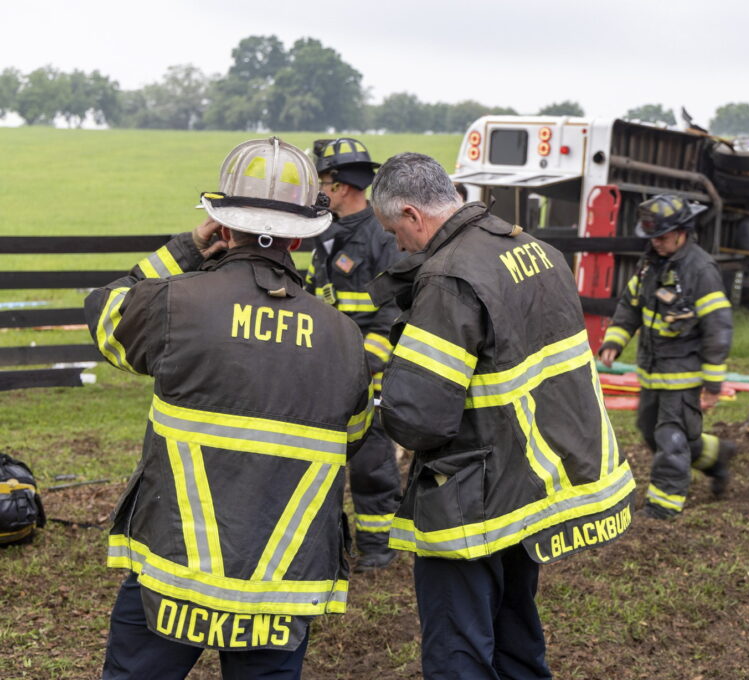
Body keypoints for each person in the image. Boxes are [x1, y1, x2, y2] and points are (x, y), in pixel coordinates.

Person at [84, 138, 373, 679]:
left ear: (224, 225)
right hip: (281, 583)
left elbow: (105, 312)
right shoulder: (344, 337)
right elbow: (354, 433)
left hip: (176, 573)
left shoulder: (176, 305)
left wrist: (188, 249)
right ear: (300, 236)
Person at [367, 152, 635, 679]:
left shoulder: (448, 278)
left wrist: (381, 392)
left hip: (472, 496)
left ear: (413, 215)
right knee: (516, 633)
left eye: (395, 231)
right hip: (530, 485)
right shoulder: (533, 249)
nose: (398, 245)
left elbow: (420, 417)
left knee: (458, 649)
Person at [598, 194, 736, 519]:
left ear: (681, 231)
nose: (656, 243)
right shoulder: (650, 264)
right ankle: (717, 457)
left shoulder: (700, 269)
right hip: (652, 372)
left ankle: (662, 510)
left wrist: (713, 383)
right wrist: (614, 342)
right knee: (651, 431)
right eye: (652, 237)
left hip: (684, 376)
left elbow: (719, 328)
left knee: (671, 438)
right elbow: (630, 305)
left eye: (661, 236)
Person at [306, 137, 403, 572]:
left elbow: (394, 311)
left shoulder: (381, 237)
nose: (319, 189)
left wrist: (367, 363)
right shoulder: (322, 233)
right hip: (324, 369)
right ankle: (326, 544)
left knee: (371, 463)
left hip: (370, 372)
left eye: (324, 181)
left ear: (343, 185)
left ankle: (378, 547)